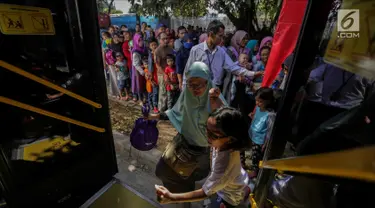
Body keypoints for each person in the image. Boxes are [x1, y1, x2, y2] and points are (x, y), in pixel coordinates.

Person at [150, 62, 226, 207]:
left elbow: (226, 122)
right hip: (183, 143)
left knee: (186, 177)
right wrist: (152, 117)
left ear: (208, 82)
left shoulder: (215, 98)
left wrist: (216, 102)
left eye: (199, 85)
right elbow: (174, 112)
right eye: (191, 84)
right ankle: (181, 199)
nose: (194, 89)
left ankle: (183, 202)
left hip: (203, 151)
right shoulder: (187, 94)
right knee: (163, 171)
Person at [155, 107, 250, 208]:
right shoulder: (224, 142)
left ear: (230, 139)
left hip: (229, 197)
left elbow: (204, 192)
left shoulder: (224, 167)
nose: (207, 135)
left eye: (213, 135)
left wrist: (172, 197)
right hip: (228, 183)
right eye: (206, 129)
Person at [183, 20, 259, 92]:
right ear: (211, 34)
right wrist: (184, 90)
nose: (222, 39)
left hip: (215, 90)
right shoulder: (196, 50)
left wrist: (252, 73)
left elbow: (232, 67)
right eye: (220, 36)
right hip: (198, 90)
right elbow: (188, 72)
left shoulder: (221, 51)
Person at [248, 87, 276, 177]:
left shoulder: (270, 115)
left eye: (260, 101)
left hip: (260, 139)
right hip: (254, 135)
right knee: (254, 153)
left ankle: (255, 171)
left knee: (257, 156)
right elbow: (255, 121)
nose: (257, 103)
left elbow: (269, 130)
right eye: (256, 100)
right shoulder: (258, 109)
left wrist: (266, 142)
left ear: (268, 101)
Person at [155, 32, 174, 112]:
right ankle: (162, 111)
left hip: (171, 74)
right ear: (159, 40)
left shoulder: (170, 48)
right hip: (162, 74)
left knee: (170, 93)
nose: (166, 40)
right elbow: (157, 65)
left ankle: (169, 110)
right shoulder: (157, 51)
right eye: (163, 39)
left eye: (167, 38)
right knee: (163, 93)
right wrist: (164, 74)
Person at [131, 33, 147, 103]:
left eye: (141, 40)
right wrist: (142, 71)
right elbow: (136, 64)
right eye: (139, 40)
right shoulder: (135, 52)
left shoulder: (144, 48)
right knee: (139, 84)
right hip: (138, 70)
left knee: (145, 83)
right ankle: (141, 98)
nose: (141, 42)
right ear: (135, 41)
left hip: (145, 68)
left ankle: (145, 97)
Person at [148, 37, 160, 113]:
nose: (154, 46)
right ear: (149, 47)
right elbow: (150, 68)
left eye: (155, 45)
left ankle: (158, 104)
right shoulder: (150, 56)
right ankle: (154, 105)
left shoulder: (159, 53)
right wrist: (151, 78)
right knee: (155, 92)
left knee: (159, 91)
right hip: (154, 75)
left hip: (159, 74)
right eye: (152, 45)